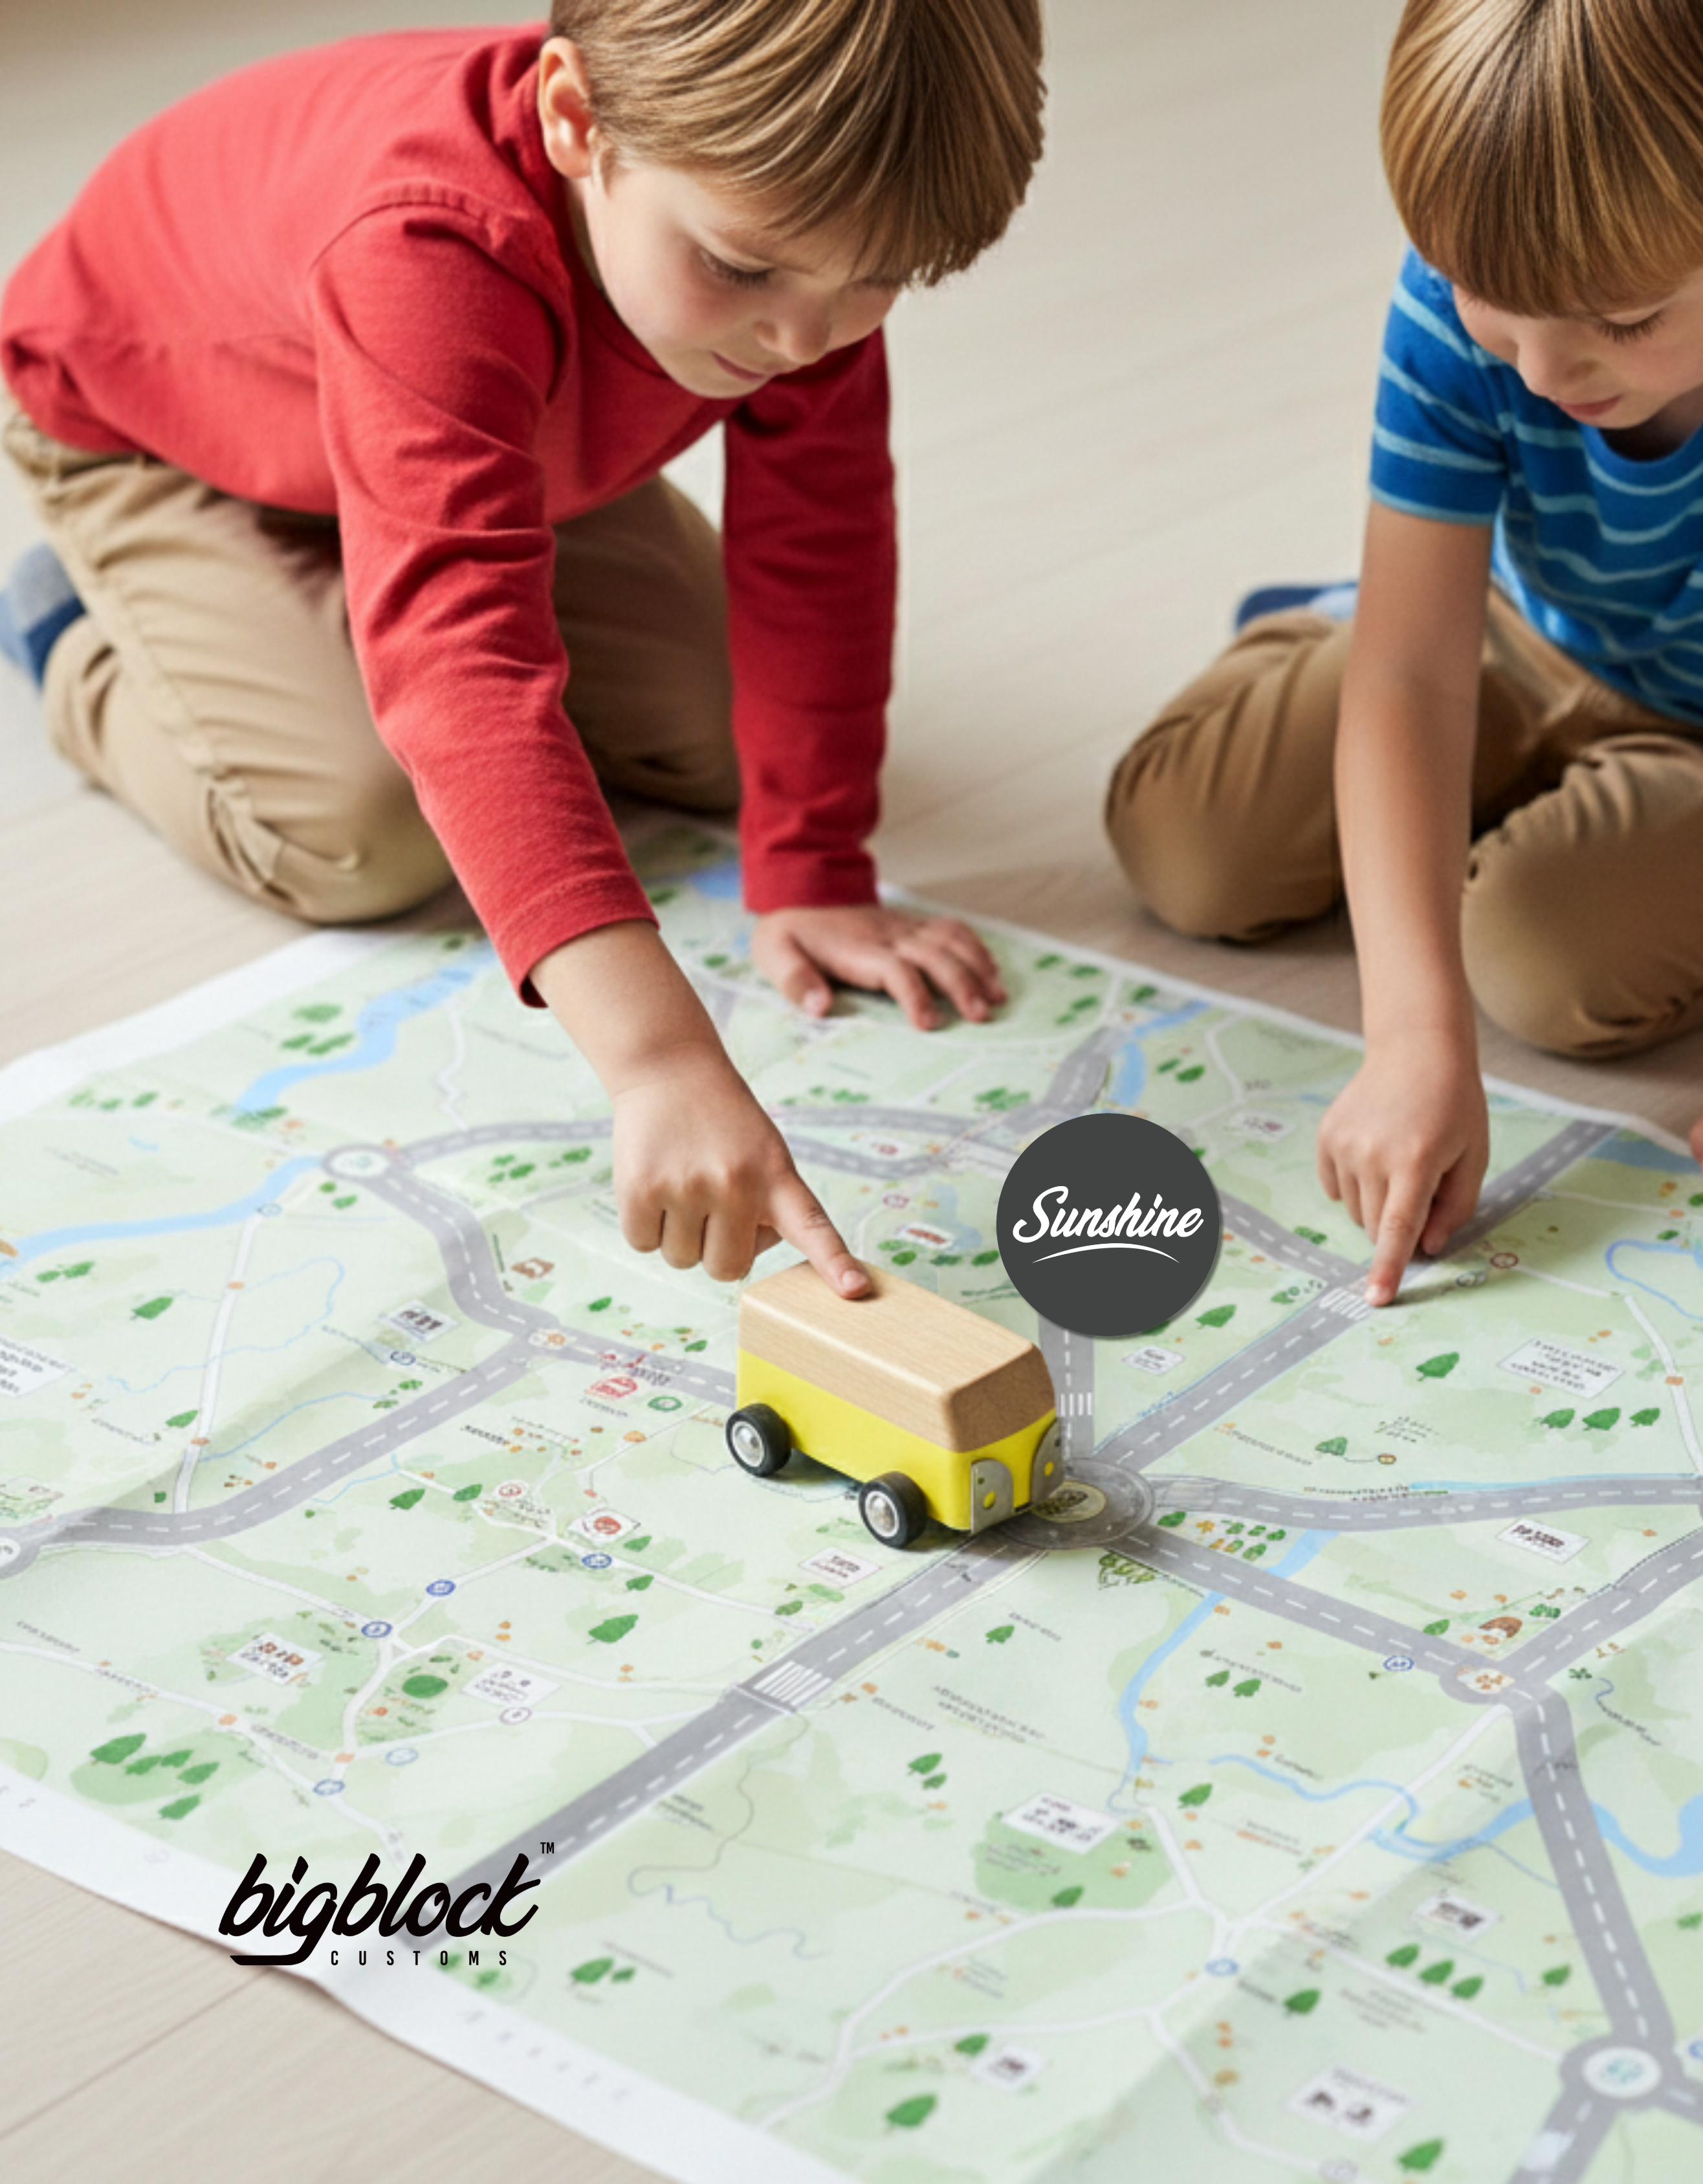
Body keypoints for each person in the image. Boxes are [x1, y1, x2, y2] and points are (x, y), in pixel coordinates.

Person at [0, 0, 1044, 1295]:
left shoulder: (799, 255)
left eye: (873, 283)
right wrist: (660, 1059)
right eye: (740, 267)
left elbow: (819, 538)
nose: (801, 339)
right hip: (166, 436)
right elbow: (460, 659)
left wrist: (814, 867)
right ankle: (68, 635)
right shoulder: (429, 240)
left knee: (741, 745)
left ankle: (377, 571)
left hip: (507, 447)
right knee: (360, 832)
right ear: (573, 121)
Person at [1104, 0, 1703, 1305]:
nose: (1547, 370)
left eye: (1622, 316)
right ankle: (1409, 707)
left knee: (1553, 970)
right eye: (1497, 312)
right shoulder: (1471, 256)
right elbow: (1408, 671)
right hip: (1508, 635)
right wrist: (1409, 1037)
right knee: (1185, 843)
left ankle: (1513, 806)